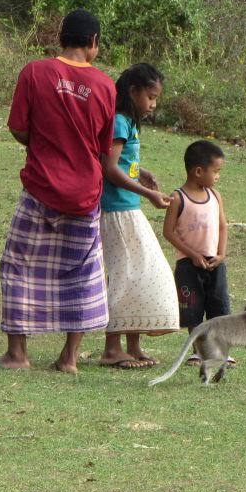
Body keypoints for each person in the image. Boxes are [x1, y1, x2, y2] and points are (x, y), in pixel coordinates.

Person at [0, 9, 116, 374]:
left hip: (41, 186)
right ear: (93, 42)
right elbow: (102, 146)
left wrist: (42, 144)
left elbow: (18, 127)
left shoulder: (35, 72)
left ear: (61, 37)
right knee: (82, 271)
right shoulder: (106, 86)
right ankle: (69, 359)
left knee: (18, 264)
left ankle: (18, 354)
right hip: (85, 193)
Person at [96, 64, 177, 369]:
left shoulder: (127, 122)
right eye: (151, 97)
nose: (153, 104)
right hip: (117, 209)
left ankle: (133, 344)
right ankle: (112, 347)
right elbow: (109, 167)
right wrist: (149, 194)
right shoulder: (119, 121)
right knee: (125, 273)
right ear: (133, 92)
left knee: (138, 273)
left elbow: (120, 162)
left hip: (128, 206)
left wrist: (140, 173)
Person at [163, 139, 232, 364]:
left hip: (214, 263)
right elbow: (169, 232)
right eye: (216, 171)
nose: (218, 176)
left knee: (219, 307)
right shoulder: (178, 198)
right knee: (193, 309)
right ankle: (199, 351)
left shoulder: (215, 196)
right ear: (199, 171)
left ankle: (221, 353)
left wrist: (221, 254)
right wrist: (192, 254)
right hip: (188, 266)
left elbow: (223, 225)